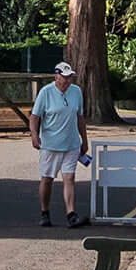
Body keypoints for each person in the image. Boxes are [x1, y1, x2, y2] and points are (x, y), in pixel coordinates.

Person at [32, 60, 89, 227]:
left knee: (69, 177)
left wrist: (84, 140)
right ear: (56, 76)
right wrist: (34, 135)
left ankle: (71, 214)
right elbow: (34, 116)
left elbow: (80, 117)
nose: (67, 81)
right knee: (47, 179)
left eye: (69, 78)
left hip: (71, 143)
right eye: (64, 78)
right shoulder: (46, 92)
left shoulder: (76, 92)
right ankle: (45, 212)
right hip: (50, 144)